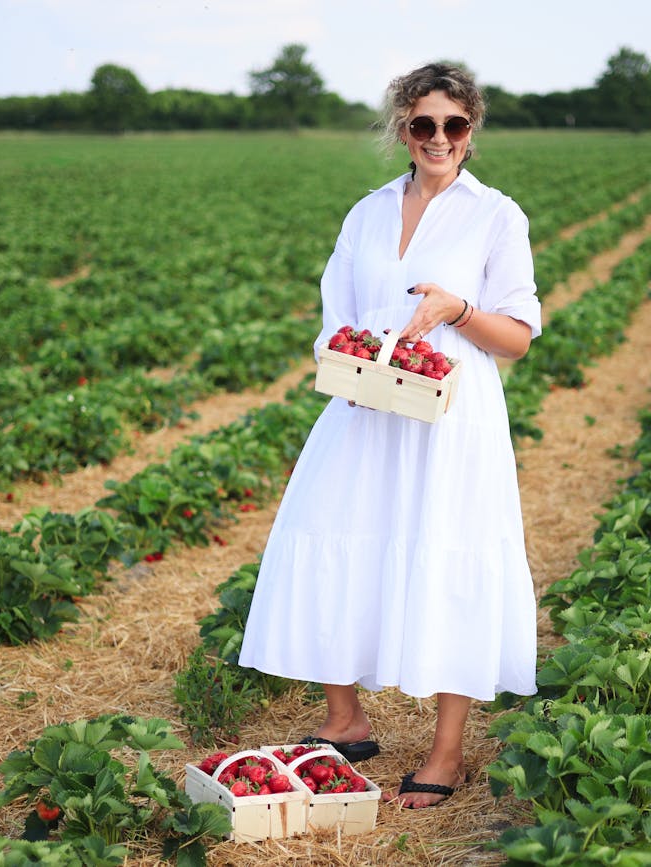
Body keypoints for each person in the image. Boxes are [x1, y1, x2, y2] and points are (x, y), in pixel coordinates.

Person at [237, 62, 540, 809]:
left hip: (449, 415)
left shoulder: (496, 215)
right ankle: (346, 718)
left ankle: (445, 752)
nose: (439, 139)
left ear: (472, 132)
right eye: (423, 124)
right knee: (327, 534)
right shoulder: (367, 212)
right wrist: (344, 358)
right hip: (366, 401)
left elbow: (518, 336)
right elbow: (335, 311)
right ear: (403, 129)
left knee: (449, 554)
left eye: (454, 125)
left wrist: (455, 309)